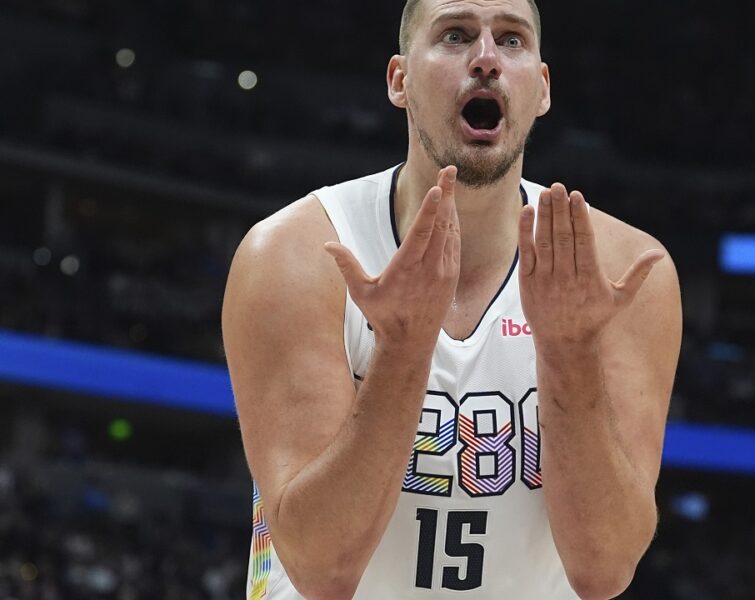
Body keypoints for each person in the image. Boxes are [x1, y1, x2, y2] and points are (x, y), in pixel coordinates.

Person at [221, 0, 682, 598]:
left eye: (512, 40)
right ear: (399, 80)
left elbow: (605, 568)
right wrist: (403, 348)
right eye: (457, 35)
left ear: (541, 89)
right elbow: (321, 567)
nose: (486, 59)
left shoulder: (620, 271)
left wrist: (570, 352)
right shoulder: (295, 257)